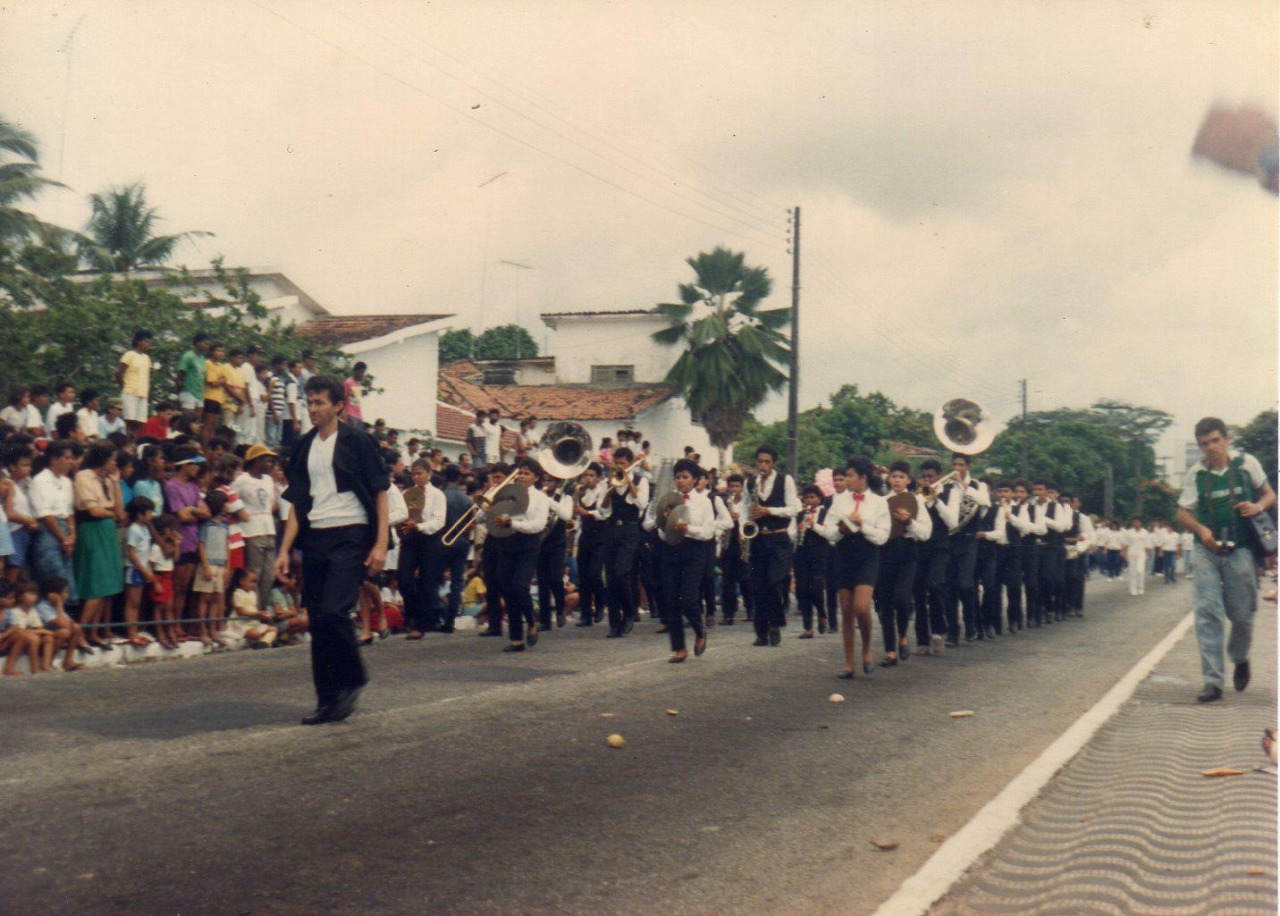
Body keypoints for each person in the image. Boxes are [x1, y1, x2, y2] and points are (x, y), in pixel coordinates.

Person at [276, 375, 390, 725]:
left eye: (320, 403)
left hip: (351, 532)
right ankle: (327, 699)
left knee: (334, 609)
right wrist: (285, 550)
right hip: (317, 536)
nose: (312, 409)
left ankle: (353, 678)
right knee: (318, 617)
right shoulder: (304, 445)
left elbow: (380, 490)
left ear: (338, 405)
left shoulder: (358, 441)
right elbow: (298, 502)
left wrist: (381, 542)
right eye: (309, 403)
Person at [1176, 417, 1275, 704]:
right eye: (1204, 444)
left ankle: (1240, 657)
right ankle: (1213, 680)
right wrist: (1200, 529)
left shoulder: (1246, 464)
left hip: (1240, 548)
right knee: (1207, 612)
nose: (1211, 447)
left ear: (1227, 439)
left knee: (1242, 615)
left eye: (1215, 440)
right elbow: (1182, 512)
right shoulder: (1196, 473)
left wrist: (1257, 506)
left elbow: (1270, 494)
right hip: (1207, 550)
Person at [819, 456, 890, 678]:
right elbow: (828, 531)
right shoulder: (839, 501)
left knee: (862, 607)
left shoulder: (879, 502)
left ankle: (867, 648)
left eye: (850, 475)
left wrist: (862, 526)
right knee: (847, 610)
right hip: (844, 554)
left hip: (868, 554)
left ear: (863, 477)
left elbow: (882, 536)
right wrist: (840, 530)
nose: (846, 480)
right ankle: (849, 662)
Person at [643, 458, 713, 662]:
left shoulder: (703, 501)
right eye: (677, 477)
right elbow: (656, 528)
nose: (681, 481)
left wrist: (688, 529)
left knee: (689, 599)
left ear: (695, 479)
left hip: (694, 551)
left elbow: (708, 532)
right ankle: (679, 648)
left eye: (685, 477)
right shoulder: (668, 499)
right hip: (670, 550)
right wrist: (663, 525)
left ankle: (700, 631)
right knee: (671, 599)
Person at [485, 457, 550, 652]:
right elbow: (488, 515)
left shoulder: (541, 498)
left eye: (526, 473)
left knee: (520, 586)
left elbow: (538, 525)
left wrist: (512, 523)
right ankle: (516, 639)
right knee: (506, 588)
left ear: (536, 478)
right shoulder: (508, 493)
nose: (521, 477)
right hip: (507, 542)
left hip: (528, 544)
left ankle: (531, 621)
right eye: (520, 473)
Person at [72, 442, 125, 649]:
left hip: (108, 530)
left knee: (106, 585)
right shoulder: (84, 476)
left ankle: (93, 632)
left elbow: (119, 512)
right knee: (96, 584)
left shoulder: (108, 479)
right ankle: (80, 632)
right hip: (93, 529)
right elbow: (94, 511)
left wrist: (116, 484)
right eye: (112, 459)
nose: (114, 463)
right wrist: (113, 514)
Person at [876, 462, 931, 663]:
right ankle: (890, 651)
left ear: (908, 479)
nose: (897, 480)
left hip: (908, 553)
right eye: (893, 476)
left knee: (902, 598)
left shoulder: (917, 500)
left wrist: (909, 521)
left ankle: (903, 635)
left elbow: (925, 533)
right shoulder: (882, 501)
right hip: (885, 552)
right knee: (885, 603)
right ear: (888, 479)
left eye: (901, 476)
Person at [746, 445, 800, 648]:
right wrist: (745, 525)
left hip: (779, 539)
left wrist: (768, 511)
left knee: (773, 581)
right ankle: (761, 632)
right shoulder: (750, 482)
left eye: (767, 462)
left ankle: (775, 624)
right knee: (758, 586)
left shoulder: (785, 480)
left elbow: (794, 509)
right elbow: (745, 507)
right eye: (760, 461)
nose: (763, 465)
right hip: (758, 539)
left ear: (773, 463)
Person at [599, 447, 650, 638]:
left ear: (630, 464)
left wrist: (628, 482)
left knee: (622, 572)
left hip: (630, 530)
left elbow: (642, 504)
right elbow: (603, 509)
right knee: (611, 578)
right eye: (616, 463)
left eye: (623, 464)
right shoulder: (608, 481)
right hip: (611, 529)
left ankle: (629, 612)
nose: (619, 466)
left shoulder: (640, 480)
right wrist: (609, 491)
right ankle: (614, 623)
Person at [793, 484, 831, 639]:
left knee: (815, 588)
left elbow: (828, 533)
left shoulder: (825, 513)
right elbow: (792, 536)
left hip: (819, 553)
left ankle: (822, 613)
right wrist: (798, 530)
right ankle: (808, 628)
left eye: (812, 497)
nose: (809, 500)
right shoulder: (800, 514)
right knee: (802, 590)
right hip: (801, 554)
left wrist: (813, 525)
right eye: (806, 497)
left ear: (819, 498)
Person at [572, 462, 607, 626]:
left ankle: (600, 604)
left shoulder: (602, 491)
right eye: (586, 475)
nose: (588, 478)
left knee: (594, 573)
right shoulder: (582, 492)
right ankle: (586, 614)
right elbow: (579, 518)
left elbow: (603, 513)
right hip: (585, 536)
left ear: (599, 478)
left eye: (591, 475)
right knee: (583, 575)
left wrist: (588, 513)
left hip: (600, 537)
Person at [122, 496, 157, 648]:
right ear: (139, 514)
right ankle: (131, 634)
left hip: (143, 569)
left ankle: (136, 631)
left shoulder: (144, 528)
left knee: (138, 603)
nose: (151, 515)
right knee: (132, 603)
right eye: (149, 512)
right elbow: (132, 553)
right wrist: (143, 570)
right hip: (134, 569)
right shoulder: (134, 530)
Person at [117, 329, 153, 432]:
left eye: (149, 342)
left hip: (143, 394)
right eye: (146, 341)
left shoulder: (147, 358)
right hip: (130, 392)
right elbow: (119, 373)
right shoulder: (129, 354)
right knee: (129, 420)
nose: (147, 344)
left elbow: (147, 376)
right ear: (139, 341)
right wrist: (123, 386)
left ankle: (134, 444)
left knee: (140, 422)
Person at [175, 333, 210, 412]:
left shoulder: (203, 359)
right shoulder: (188, 356)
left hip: (199, 394)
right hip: (188, 392)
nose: (207, 346)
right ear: (197, 342)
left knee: (196, 422)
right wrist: (178, 392)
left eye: (208, 344)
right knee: (187, 420)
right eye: (205, 343)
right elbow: (180, 375)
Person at [343, 363, 367, 429]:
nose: (362, 374)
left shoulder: (358, 383)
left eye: (363, 372)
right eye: (361, 372)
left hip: (358, 415)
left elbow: (356, 401)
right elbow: (343, 398)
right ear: (356, 371)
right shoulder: (348, 382)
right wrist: (344, 414)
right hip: (350, 414)